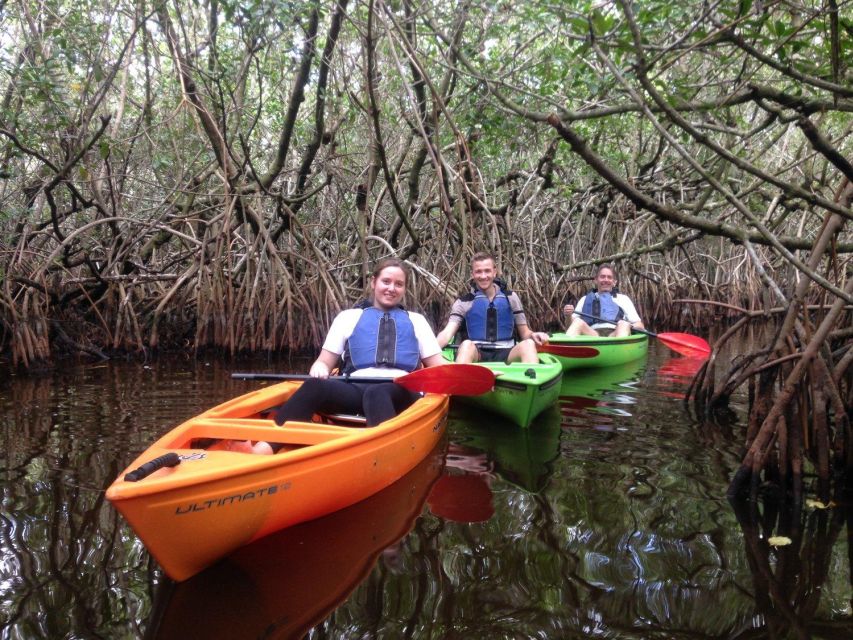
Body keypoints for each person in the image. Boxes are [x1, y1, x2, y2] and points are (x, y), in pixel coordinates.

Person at [234, 258, 446, 454]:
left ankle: (381, 453)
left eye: (398, 284)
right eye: (386, 281)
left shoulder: (417, 321)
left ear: (404, 289)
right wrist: (320, 369)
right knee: (314, 386)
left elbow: (438, 368)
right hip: (357, 388)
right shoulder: (348, 318)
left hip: (401, 391)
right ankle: (263, 449)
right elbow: (323, 362)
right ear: (374, 282)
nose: (391, 288)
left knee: (378, 392)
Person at [435, 251, 548, 364]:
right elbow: (447, 334)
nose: (483, 276)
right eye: (478, 271)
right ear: (472, 274)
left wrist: (533, 335)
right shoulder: (463, 302)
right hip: (477, 353)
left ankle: (531, 378)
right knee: (465, 346)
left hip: (507, 353)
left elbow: (525, 333)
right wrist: (428, 352)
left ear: (495, 272)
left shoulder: (511, 298)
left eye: (487, 271)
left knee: (528, 345)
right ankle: (463, 379)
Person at [562, 264, 644, 337]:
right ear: (596, 280)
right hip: (592, 335)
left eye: (609, 277)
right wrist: (568, 316)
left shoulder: (623, 299)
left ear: (614, 282)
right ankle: (565, 350)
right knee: (577, 322)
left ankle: (619, 350)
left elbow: (639, 325)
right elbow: (569, 327)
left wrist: (629, 326)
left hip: (614, 334)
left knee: (624, 324)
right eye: (602, 276)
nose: (606, 280)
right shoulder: (584, 299)